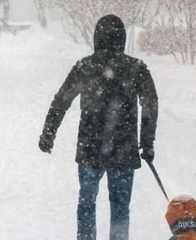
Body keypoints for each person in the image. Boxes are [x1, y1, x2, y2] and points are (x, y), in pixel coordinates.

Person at [38, 14, 158, 240]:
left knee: (86, 203)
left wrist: (48, 133)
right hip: (123, 149)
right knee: (120, 207)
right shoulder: (136, 68)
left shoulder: (85, 67)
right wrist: (147, 142)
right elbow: (150, 104)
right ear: (121, 39)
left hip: (90, 148)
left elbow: (61, 100)